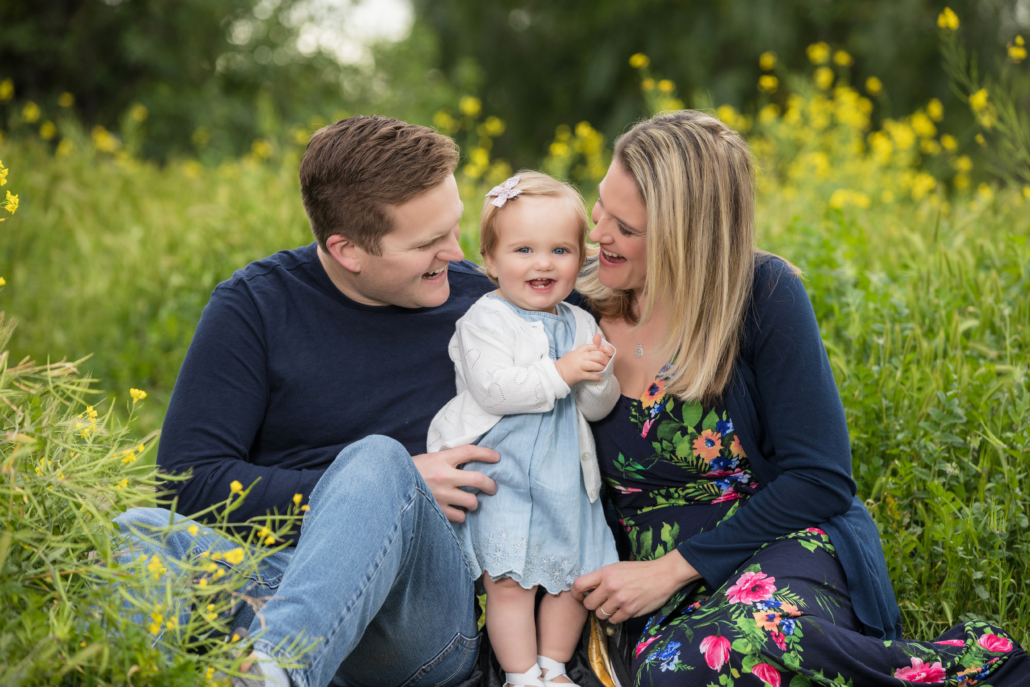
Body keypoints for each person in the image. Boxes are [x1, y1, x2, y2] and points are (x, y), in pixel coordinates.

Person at [570, 110, 1027, 685]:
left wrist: (671, 570)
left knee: (726, 650)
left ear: (689, 237)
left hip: (776, 541)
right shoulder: (574, 306)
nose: (596, 236)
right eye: (600, 208)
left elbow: (820, 478)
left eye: (626, 229)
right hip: (639, 573)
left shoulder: (763, 295)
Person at [114, 116, 503, 687]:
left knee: (377, 460)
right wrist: (368, 490)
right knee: (138, 531)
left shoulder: (488, 308)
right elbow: (186, 482)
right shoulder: (255, 306)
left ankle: (276, 674)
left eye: (454, 226)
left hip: (416, 619)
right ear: (347, 249)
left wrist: (394, 490)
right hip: (282, 580)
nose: (458, 251)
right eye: (427, 243)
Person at [427, 172, 620, 687]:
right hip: (504, 477)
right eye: (523, 250)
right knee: (509, 581)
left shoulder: (580, 324)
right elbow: (494, 389)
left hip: (567, 483)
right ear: (490, 262)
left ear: (580, 259)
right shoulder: (484, 320)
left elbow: (597, 409)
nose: (543, 263)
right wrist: (562, 372)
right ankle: (520, 675)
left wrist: (599, 375)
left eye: (560, 249)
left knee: (571, 580)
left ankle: (554, 667)